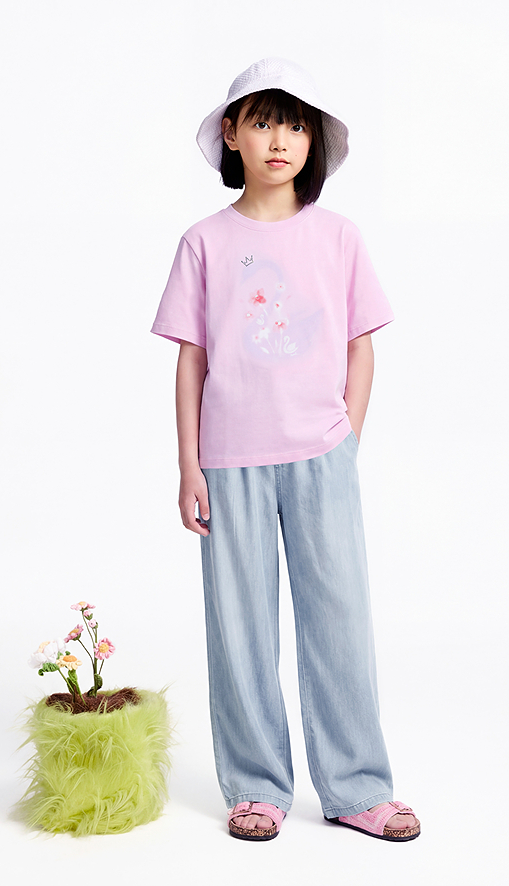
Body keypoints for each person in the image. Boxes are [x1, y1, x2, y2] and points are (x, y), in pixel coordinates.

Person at [150, 57, 420, 843]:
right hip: (228, 461)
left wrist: (347, 438)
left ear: (314, 142)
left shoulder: (339, 237)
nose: (280, 140)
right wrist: (188, 464)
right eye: (263, 122)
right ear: (231, 134)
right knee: (240, 629)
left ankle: (357, 788)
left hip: (321, 455)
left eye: (296, 125)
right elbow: (192, 358)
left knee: (339, 619)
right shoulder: (204, 242)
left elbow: (361, 345)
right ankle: (257, 785)